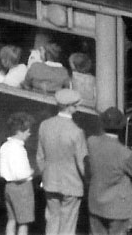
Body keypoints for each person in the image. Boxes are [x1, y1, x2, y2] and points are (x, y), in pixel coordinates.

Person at [36, 89, 88, 235]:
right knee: (68, 225)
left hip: (50, 182)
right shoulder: (77, 132)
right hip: (72, 185)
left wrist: (45, 175)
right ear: (71, 107)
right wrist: (88, 182)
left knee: (52, 220)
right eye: (76, 105)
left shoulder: (45, 125)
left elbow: (40, 157)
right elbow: (82, 163)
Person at [87, 107, 132, 235]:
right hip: (118, 208)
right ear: (122, 127)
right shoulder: (124, 153)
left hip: (96, 203)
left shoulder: (92, 142)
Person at [0, 112, 36, 235]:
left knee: (11, 219)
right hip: (22, 188)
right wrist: (30, 172)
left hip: (8, 186)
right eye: (27, 131)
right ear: (20, 132)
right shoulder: (19, 149)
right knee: (23, 222)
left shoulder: (5, 146)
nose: (29, 134)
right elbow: (20, 174)